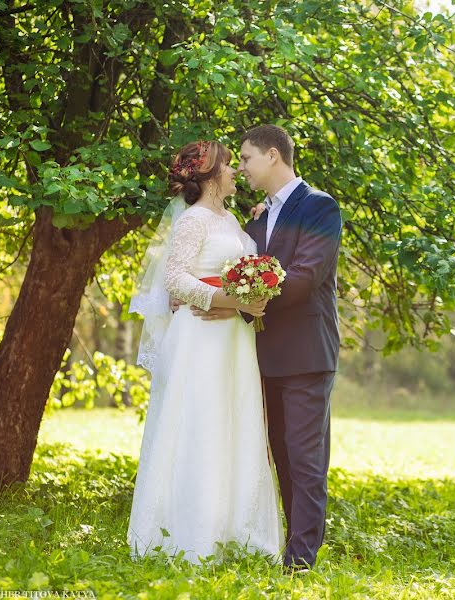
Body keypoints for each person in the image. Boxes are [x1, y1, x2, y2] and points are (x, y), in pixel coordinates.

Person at [191, 125, 342, 571]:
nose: (241, 167)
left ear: (273, 156)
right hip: (264, 355)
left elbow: (305, 276)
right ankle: (291, 545)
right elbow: (249, 266)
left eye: (246, 158)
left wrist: (239, 304)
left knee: (305, 457)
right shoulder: (257, 217)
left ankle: (300, 560)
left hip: (307, 353)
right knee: (280, 454)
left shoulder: (320, 207)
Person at [127, 140, 283, 564]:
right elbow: (175, 279)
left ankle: (233, 527)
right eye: (231, 167)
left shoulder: (230, 219)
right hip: (199, 336)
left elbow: (238, 267)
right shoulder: (194, 220)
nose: (236, 173)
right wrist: (230, 303)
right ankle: (190, 534)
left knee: (233, 419)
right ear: (213, 176)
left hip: (233, 338)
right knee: (199, 423)